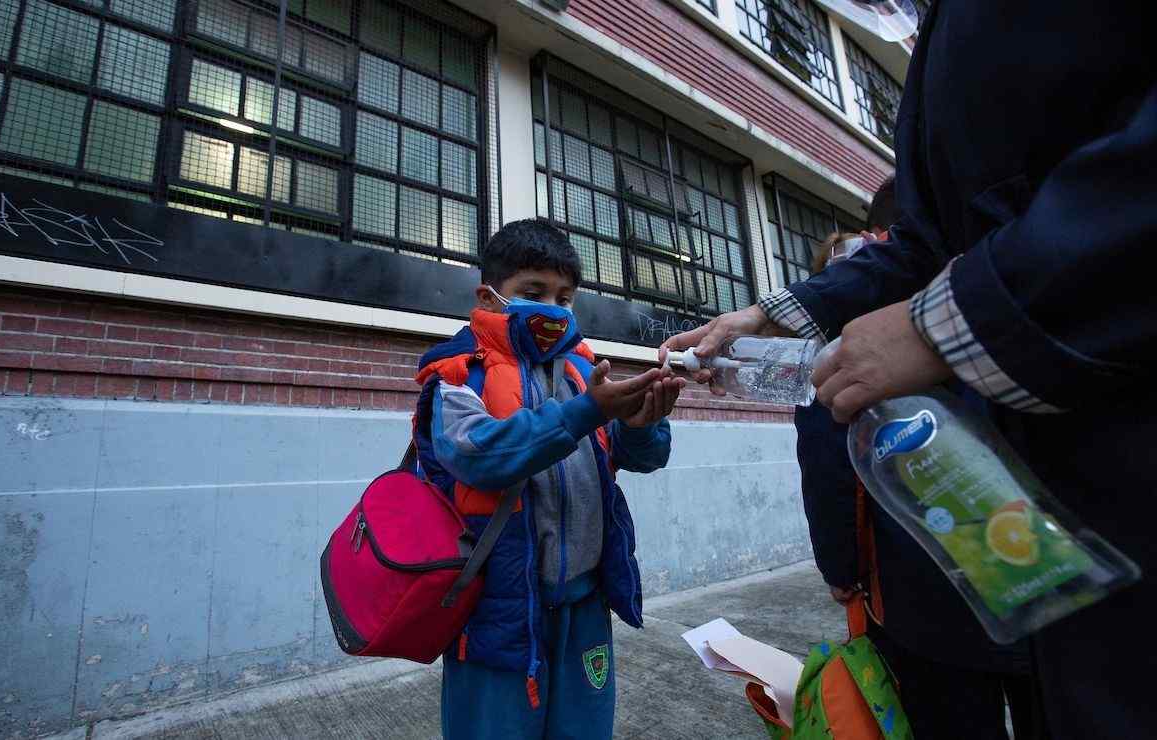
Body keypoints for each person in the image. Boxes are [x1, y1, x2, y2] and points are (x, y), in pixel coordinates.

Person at [663, 3, 1156, 736]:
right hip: (1018, 562)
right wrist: (766, 317)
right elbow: (927, 242)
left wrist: (945, 325)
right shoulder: (939, 39)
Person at [412, 219, 685, 739]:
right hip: (496, 617)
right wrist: (584, 413)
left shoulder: (584, 372)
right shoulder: (456, 375)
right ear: (491, 298)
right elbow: (480, 456)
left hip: (585, 610)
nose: (553, 310)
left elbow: (641, 459)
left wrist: (643, 424)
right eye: (532, 293)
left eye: (565, 297)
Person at [797, 220, 1043, 738]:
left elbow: (830, 480)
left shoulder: (833, 369)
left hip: (923, 602)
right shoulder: (985, 326)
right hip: (1035, 571)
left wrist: (841, 570)